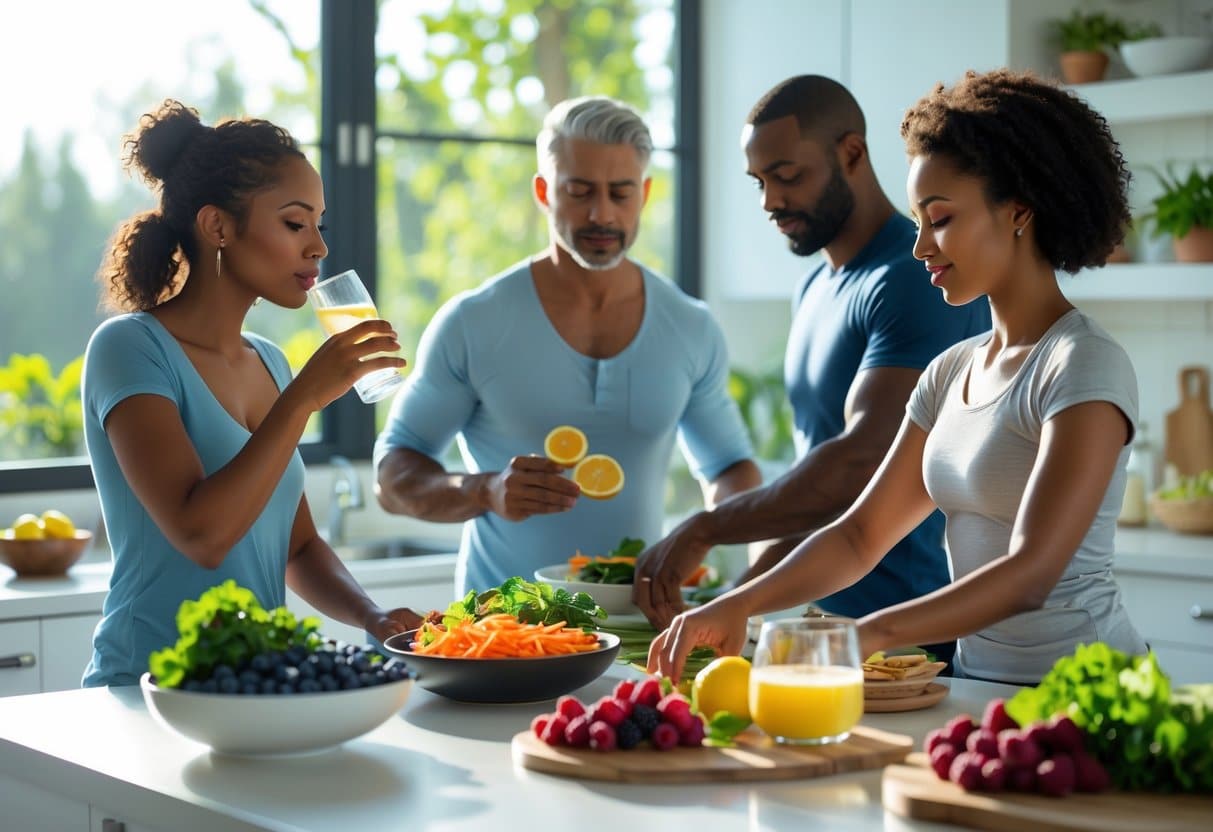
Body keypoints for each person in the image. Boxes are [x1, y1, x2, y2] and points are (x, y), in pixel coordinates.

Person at [649, 68, 1148, 686]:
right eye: (916, 221)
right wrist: (739, 603)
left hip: (1088, 689)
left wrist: (869, 633)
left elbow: (1030, 573)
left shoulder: (1082, 363)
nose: (920, 247)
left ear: (1018, 211)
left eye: (939, 219)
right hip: (975, 685)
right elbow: (860, 535)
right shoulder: (950, 371)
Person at [634, 76, 991, 665]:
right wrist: (735, 599)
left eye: (788, 175)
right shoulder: (816, 287)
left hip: (909, 640)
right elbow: (816, 483)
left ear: (851, 153)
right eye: (760, 181)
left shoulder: (914, 278)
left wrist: (705, 528)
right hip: (826, 629)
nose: (770, 201)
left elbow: (859, 461)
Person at [81, 100, 421, 688]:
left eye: (320, 224)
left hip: (258, 689)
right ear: (218, 226)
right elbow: (202, 535)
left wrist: (374, 616)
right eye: (295, 224)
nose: (318, 247)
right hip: (147, 689)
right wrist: (304, 400)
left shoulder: (270, 360)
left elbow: (299, 546)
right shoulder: (129, 349)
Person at [374, 96, 761, 595]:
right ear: (543, 191)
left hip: (641, 633)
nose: (602, 213)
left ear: (644, 194)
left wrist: (712, 542)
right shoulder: (474, 322)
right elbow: (392, 477)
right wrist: (485, 491)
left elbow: (730, 466)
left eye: (620, 193)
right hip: (502, 634)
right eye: (579, 191)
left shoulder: (690, 325)